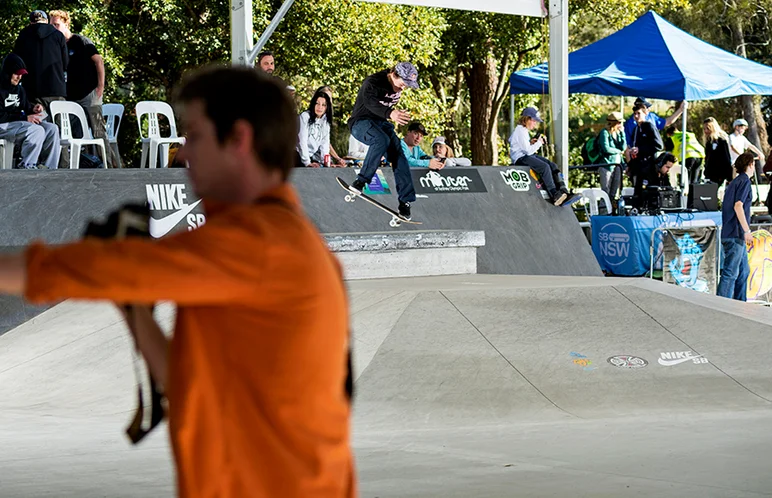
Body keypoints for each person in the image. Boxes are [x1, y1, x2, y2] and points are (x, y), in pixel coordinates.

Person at [0, 66, 355, 496]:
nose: (182, 154)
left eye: (195, 136)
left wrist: (120, 266)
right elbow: (189, 387)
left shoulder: (255, 244)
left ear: (239, 140)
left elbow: (68, 270)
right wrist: (133, 304)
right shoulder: (288, 239)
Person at [347, 62, 420, 219]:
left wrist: (390, 115)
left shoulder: (398, 83)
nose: (403, 88)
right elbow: (369, 103)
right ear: (394, 75)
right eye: (403, 84)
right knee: (380, 140)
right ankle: (360, 181)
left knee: (399, 155)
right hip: (361, 122)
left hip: (381, 123)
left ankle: (405, 201)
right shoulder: (372, 82)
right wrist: (390, 113)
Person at [49, 10, 119, 169]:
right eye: (51, 25)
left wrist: (100, 86)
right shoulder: (56, 46)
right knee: (68, 133)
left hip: (89, 93)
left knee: (98, 132)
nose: (53, 28)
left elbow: (99, 61)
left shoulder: (80, 41)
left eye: (56, 24)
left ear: (66, 23)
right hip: (70, 97)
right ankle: (71, 166)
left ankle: (110, 166)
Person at [0, 53, 60, 170]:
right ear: (8, 73)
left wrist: (34, 108)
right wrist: (24, 118)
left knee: (52, 129)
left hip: (16, 124)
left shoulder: (19, 89)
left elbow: (26, 107)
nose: (19, 77)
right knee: (35, 131)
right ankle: (27, 167)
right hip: (3, 125)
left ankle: (49, 168)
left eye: (21, 74)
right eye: (16, 74)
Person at [12, 10, 68, 117]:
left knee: (36, 127)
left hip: (32, 89)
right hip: (56, 89)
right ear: (46, 21)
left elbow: (17, 62)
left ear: (31, 22)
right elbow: (65, 63)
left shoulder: (23, 35)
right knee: (60, 129)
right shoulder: (58, 35)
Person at [508, 107, 568, 206]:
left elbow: (513, 140)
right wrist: (539, 143)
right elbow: (527, 151)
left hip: (526, 155)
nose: (535, 124)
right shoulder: (520, 131)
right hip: (520, 158)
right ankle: (554, 194)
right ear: (527, 119)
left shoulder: (522, 131)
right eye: (534, 121)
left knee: (552, 165)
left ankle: (563, 190)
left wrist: (530, 142)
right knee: (544, 167)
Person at [717, 152, 755, 301]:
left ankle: (740, 302)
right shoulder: (744, 181)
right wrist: (747, 230)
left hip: (730, 233)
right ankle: (721, 304)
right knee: (731, 272)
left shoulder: (733, 182)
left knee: (743, 271)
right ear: (750, 164)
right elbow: (738, 205)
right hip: (736, 233)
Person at [625, 104, 663, 188]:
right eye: (635, 114)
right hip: (638, 167)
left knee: (648, 192)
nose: (636, 116)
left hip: (649, 166)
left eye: (639, 113)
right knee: (637, 193)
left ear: (645, 113)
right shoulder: (636, 129)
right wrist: (630, 165)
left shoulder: (649, 126)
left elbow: (659, 145)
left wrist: (640, 149)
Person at [296, 89, 332, 167]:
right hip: (296, 155)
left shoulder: (326, 122)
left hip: (310, 157)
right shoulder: (305, 116)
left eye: (323, 105)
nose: (320, 107)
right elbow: (302, 141)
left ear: (327, 107)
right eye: (317, 103)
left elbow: (325, 145)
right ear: (313, 104)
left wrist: (326, 163)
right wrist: (307, 162)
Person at [597, 111, 627, 200]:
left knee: (614, 192)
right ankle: (604, 212)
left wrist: (622, 134)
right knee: (605, 191)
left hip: (617, 165)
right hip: (607, 165)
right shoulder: (604, 133)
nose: (620, 124)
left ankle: (612, 211)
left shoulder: (618, 133)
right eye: (619, 122)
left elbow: (623, 147)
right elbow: (606, 148)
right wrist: (618, 151)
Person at [316, 86, 346, 166]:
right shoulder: (308, 117)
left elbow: (326, 143)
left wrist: (337, 158)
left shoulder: (325, 119)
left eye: (330, 98)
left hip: (321, 155)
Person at [703, 117, 733, 185]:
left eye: (708, 128)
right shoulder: (709, 142)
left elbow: (726, 158)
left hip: (720, 173)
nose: (705, 131)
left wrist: (729, 176)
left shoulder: (721, 141)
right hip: (710, 173)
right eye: (704, 129)